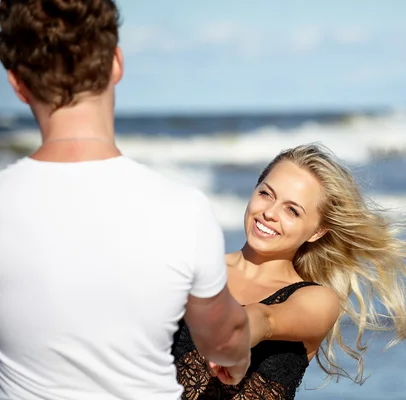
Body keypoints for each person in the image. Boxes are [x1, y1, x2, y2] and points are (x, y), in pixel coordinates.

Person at [0, 1, 250, 399]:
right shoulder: (182, 211)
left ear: (17, 83)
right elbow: (225, 337)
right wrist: (236, 360)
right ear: (116, 63)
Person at [173, 143, 406, 399]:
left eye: (292, 211)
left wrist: (235, 338)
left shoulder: (318, 300)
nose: (269, 212)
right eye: (266, 193)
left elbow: (265, 318)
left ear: (317, 232)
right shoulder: (193, 268)